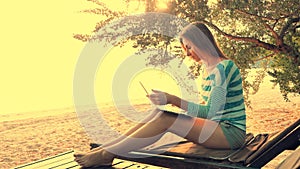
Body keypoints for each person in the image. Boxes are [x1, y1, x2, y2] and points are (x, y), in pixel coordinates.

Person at [74, 22, 246, 168]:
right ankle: (106, 149)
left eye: (188, 47)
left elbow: (210, 112)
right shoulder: (206, 69)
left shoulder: (224, 68)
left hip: (230, 133)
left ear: (201, 42)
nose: (186, 53)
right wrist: (178, 114)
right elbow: (207, 107)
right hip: (216, 128)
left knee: (164, 119)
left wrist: (173, 100)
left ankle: (107, 154)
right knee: (158, 114)